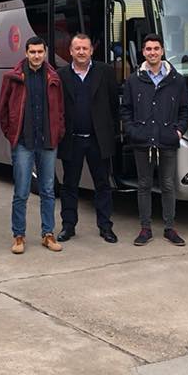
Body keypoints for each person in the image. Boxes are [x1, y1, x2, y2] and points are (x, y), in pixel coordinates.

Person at [121, 33, 188, 247]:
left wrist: (177, 132)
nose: (152, 52)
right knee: (144, 185)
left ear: (162, 51)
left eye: (156, 48)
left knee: (168, 185)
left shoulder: (176, 79)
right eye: (148, 49)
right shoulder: (134, 79)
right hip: (142, 141)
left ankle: (170, 228)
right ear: (143, 52)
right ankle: (145, 228)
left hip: (167, 140)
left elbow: (184, 110)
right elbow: (126, 110)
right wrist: (133, 131)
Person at [0, 36, 65, 254]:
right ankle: (18, 236)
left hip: (47, 142)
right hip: (24, 143)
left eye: (40, 52)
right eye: (32, 52)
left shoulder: (53, 76)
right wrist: (11, 135)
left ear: (45, 52)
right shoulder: (14, 77)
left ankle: (48, 234)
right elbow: (4, 110)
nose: (37, 55)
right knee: (21, 192)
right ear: (26, 53)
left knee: (47, 190)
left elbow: (61, 109)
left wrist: (58, 131)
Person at [56, 33, 119, 243]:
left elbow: (113, 105)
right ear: (71, 51)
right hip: (72, 140)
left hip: (97, 140)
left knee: (102, 185)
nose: (81, 52)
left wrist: (111, 132)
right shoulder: (61, 75)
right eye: (77, 48)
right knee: (69, 185)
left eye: (85, 48)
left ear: (91, 50)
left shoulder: (105, 72)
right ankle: (68, 226)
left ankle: (105, 226)